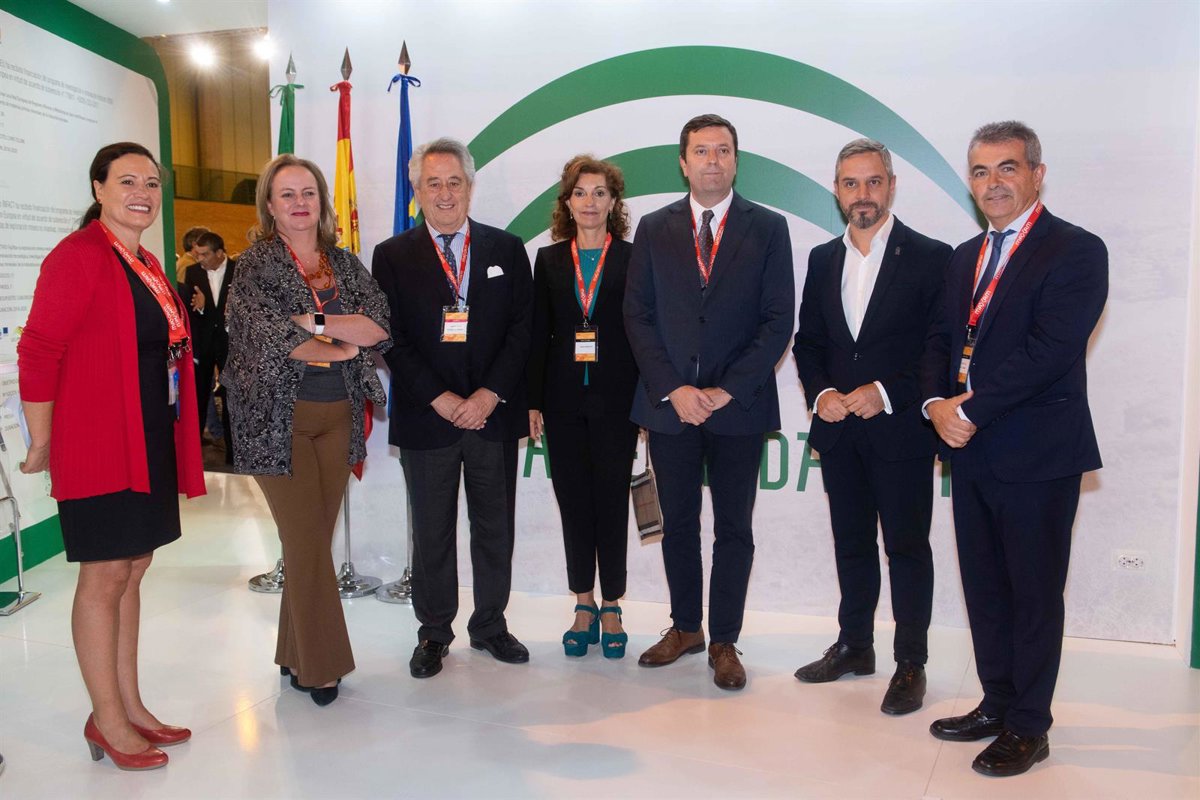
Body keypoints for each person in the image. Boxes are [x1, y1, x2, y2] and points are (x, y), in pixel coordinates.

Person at [921, 121, 1107, 777]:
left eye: (1007, 168)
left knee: (1032, 594)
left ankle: (1030, 725)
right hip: (969, 450)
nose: (993, 183)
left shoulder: (1076, 250)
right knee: (986, 589)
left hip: (1036, 454)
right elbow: (939, 340)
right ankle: (997, 702)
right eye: (980, 171)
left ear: (1036, 174)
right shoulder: (963, 256)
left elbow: (1049, 352)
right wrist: (934, 405)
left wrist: (967, 409)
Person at [17, 142, 206, 770]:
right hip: (97, 440)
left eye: (151, 183)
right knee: (104, 576)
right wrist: (41, 441)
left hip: (145, 436)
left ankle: (128, 706)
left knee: (133, 567)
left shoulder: (144, 261)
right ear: (98, 188)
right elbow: (38, 351)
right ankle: (107, 720)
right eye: (128, 181)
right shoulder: (77, 256)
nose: (142, 193)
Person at [624, 114, 795, 690]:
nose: (712, 160)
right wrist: (675, 388)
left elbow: (778, 320)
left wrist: (726, 389)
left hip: (737, 407)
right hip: (670, 406)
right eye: (701, 151)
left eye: (723, 150)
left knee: (734, 528)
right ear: (683, 162)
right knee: (677, 525)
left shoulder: (768, 228)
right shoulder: (654, 227)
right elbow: (637, 315)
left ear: (736, 160)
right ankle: (685, 628)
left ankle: (724, 639)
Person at [223, 153, 391, 707]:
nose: (299, 203)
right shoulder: (254, 266)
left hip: (340, 415)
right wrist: (340, 342)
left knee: (312, 540)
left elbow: (377, 326)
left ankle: (292, 650)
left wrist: (315, 323)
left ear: (322, 202)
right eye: (287, 194)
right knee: (305, 541)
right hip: (278, 420)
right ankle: (322, 666)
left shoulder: (344, 263)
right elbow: (266, 335)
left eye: (309, 193)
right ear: (270, 206)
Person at [791, 139, 950, 714]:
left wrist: (883, 393)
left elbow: (938, 349)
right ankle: (855, 645)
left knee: (906, 549)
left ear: (892, 186)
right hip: (839, 433)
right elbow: (808, 344)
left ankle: (911, 663)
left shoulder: (932, 256)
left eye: (874, 182)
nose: (863, 194)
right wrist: (822, 395)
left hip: (901, 431)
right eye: (851, 183)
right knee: (852, 545)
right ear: (836, 190)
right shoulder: (821, 259)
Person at [372, 137, 533, 679]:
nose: (445, 193)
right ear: (417, 192)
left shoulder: (507, 248)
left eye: (454, 182)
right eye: (433, 183)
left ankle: (490, 625)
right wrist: (440, 399)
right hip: (428, 418)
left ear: (470, 186)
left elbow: (523, 330)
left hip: (493, 416)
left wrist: (488, 395)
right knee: (432, 533)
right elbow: (390, 337)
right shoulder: (391, 255)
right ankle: (434, 632)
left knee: (495, 528)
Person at [527, 156, 639, 659]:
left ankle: (612, 605)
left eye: (599, 193)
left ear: (613, 202)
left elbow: (644, 333)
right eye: (580, 193)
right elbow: (538, 335)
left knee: (612, 503)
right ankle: (583, 604)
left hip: (619, 400)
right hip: (562, 401)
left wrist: (646, 401)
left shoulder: (634, 258)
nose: (589, 202)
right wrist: (533, 401)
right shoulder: (549, 260)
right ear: (567, 203)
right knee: (573, 504)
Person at [183, 231, 236, 459]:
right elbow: (191, 311)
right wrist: (202, 307)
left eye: (204, 254)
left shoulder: (238, 270)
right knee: (198, 397)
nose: (200, 259)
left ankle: (234, 454)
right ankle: (193, 455)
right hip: (203, 345)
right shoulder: (193, 272)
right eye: (197, 254)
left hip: (231, 346)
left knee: (232, 398)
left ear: (220, 253)